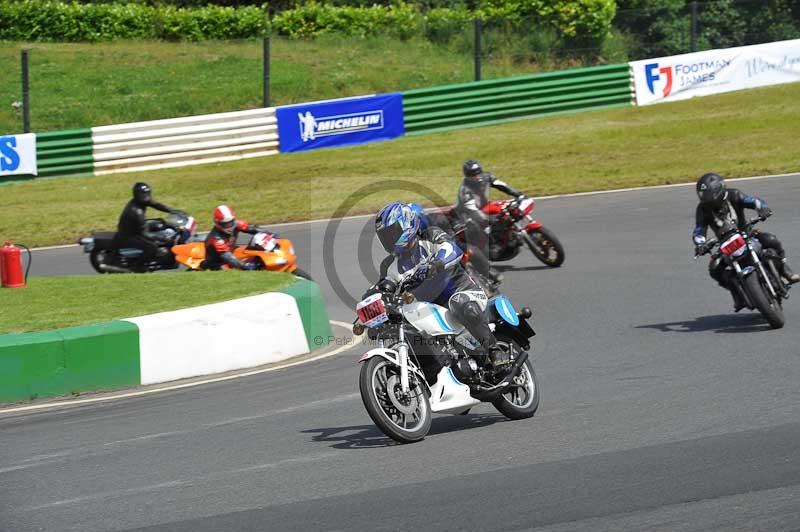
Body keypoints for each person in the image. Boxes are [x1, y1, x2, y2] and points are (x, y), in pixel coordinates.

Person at [375, 201, 511, 369]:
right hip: (427, 307)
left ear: (406, 224)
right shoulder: (389, 265)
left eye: (391, 232)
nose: (388, 239)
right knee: (404, 326)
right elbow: (382, 287)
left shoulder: (430, 236)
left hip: (460, 290)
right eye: (384, 236)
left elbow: (451, 249)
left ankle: (494, 349)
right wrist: (371, 303)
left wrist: (434, 265)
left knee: (463, 306)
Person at [692, 173, 799, 311]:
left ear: (718, 190)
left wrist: (762, 208)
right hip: (726, 244)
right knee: (714, 269)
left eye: (706, 194)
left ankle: (785, 270)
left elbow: (753, 201)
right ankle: (736, 293)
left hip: (746, 234)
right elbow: (699, 230)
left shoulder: (734, 195)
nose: (704, 198)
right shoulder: (702, 209)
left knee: (771, 240)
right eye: (702, 195)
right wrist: (700, 244)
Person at [455, 160, 525, 282]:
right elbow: (471, 208)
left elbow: (501, 185)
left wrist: (517, 194)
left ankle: (507, 236)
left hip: (484, 207)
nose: (476, 176)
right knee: (482, 225)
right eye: (472, 174)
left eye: (478, 172)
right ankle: (492, 247)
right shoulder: (464, 189)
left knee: (503, 213)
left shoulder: (487, 177)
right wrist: (485, 219)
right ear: (467, 176)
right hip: (469, 215)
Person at [116, 182, 177, 270]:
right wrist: (162, 237)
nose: (146, 196)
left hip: (136, 227)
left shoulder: (142, 201)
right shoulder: (136, 211)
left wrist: (173, 211)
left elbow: (156, 205)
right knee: (152, 247)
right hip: (130, 235)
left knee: (160, 223)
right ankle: (138, 266)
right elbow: (145, 234)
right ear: (137, 195)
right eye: (143, 194)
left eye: (147, 193)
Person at [202, 204, 261, 270]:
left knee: (251, 252)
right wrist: (245, 266)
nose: (229, 226)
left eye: (231, 223)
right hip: (217, 262)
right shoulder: (216, 239)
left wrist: (271, 235)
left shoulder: (237, 224)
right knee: (228, 270)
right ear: (218, 223)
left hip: (232, 252)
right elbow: (227, 257)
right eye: (226, 224)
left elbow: (253, 228)